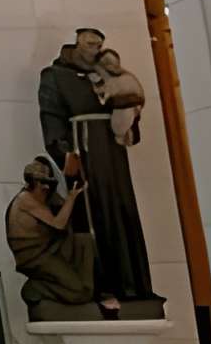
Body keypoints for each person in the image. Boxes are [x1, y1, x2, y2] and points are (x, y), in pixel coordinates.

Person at [38, 27, 152, 309]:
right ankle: (101, 286)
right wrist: (65, 155)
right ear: (76, 43)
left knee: (123, 210)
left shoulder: (107, 72)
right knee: (92, 214)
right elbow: (51, 118)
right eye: (88, 43)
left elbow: (125, 103)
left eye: (98, 44)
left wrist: (131, 116)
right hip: (84, 149)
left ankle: (133, 285)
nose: (93, 48)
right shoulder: (56, 76)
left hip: (113, 151)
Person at [5, 155, 99, 314]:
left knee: (84, 241)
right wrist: (72, 197)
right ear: (34, 183)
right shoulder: (25, 199)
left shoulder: (39, 196)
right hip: (35, 256)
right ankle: (35, 288)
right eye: (43, 183)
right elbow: (58, 224)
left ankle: (89, 289)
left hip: (48, 247)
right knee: (77, 291)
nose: (47, 188)